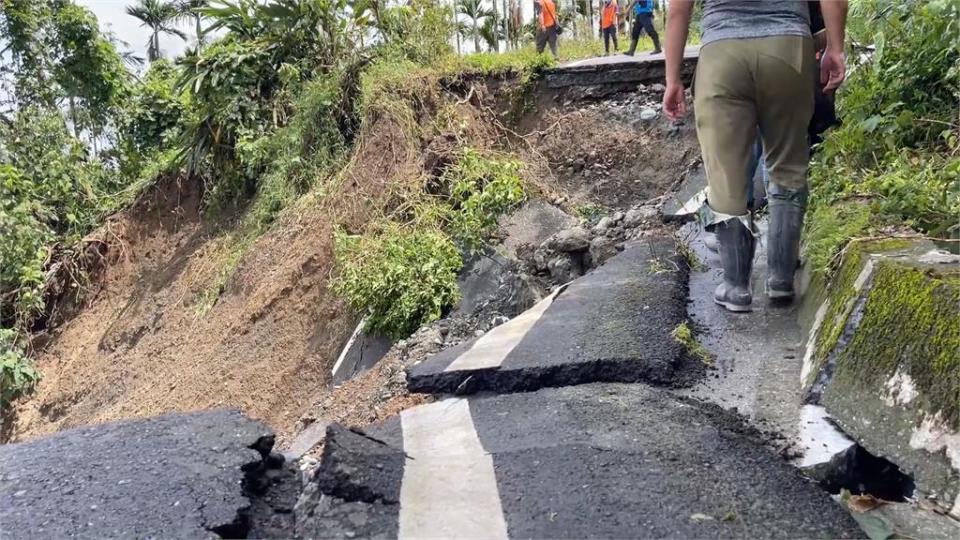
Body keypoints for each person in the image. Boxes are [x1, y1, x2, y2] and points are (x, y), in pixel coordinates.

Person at [663, 0, 847, 312]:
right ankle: (781, 277)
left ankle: (736, 287)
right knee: (787, 165)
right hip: (788, 49)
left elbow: (678, 11)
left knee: (726, 176)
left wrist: (672, 79)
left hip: (722, 55)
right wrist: (834, 46)